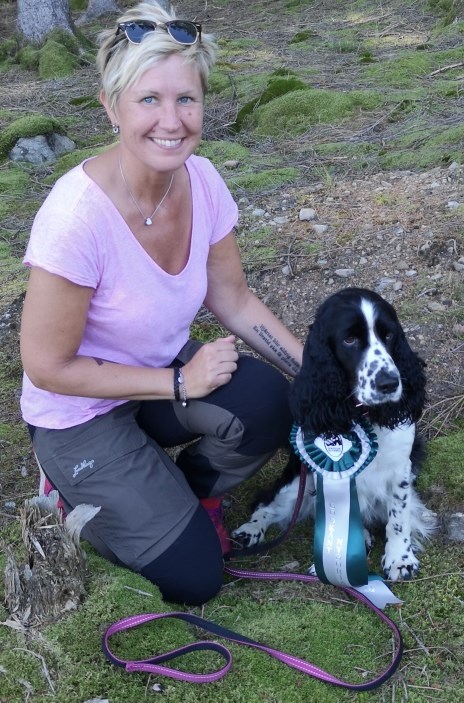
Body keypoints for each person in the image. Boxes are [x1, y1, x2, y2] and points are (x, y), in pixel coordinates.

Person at [20, 1, 303, 606]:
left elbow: (233, 298)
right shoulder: (75, 218)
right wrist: (179, 382)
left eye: (186, 99)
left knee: (270, 402)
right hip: (79, 416)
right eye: (148, 99)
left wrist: (319, 375)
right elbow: (47, 367)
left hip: (157, 382)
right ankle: (72, 493)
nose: (171, 121)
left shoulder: (203, 181)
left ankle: (185, 494)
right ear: (110, 106)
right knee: (196, 577)